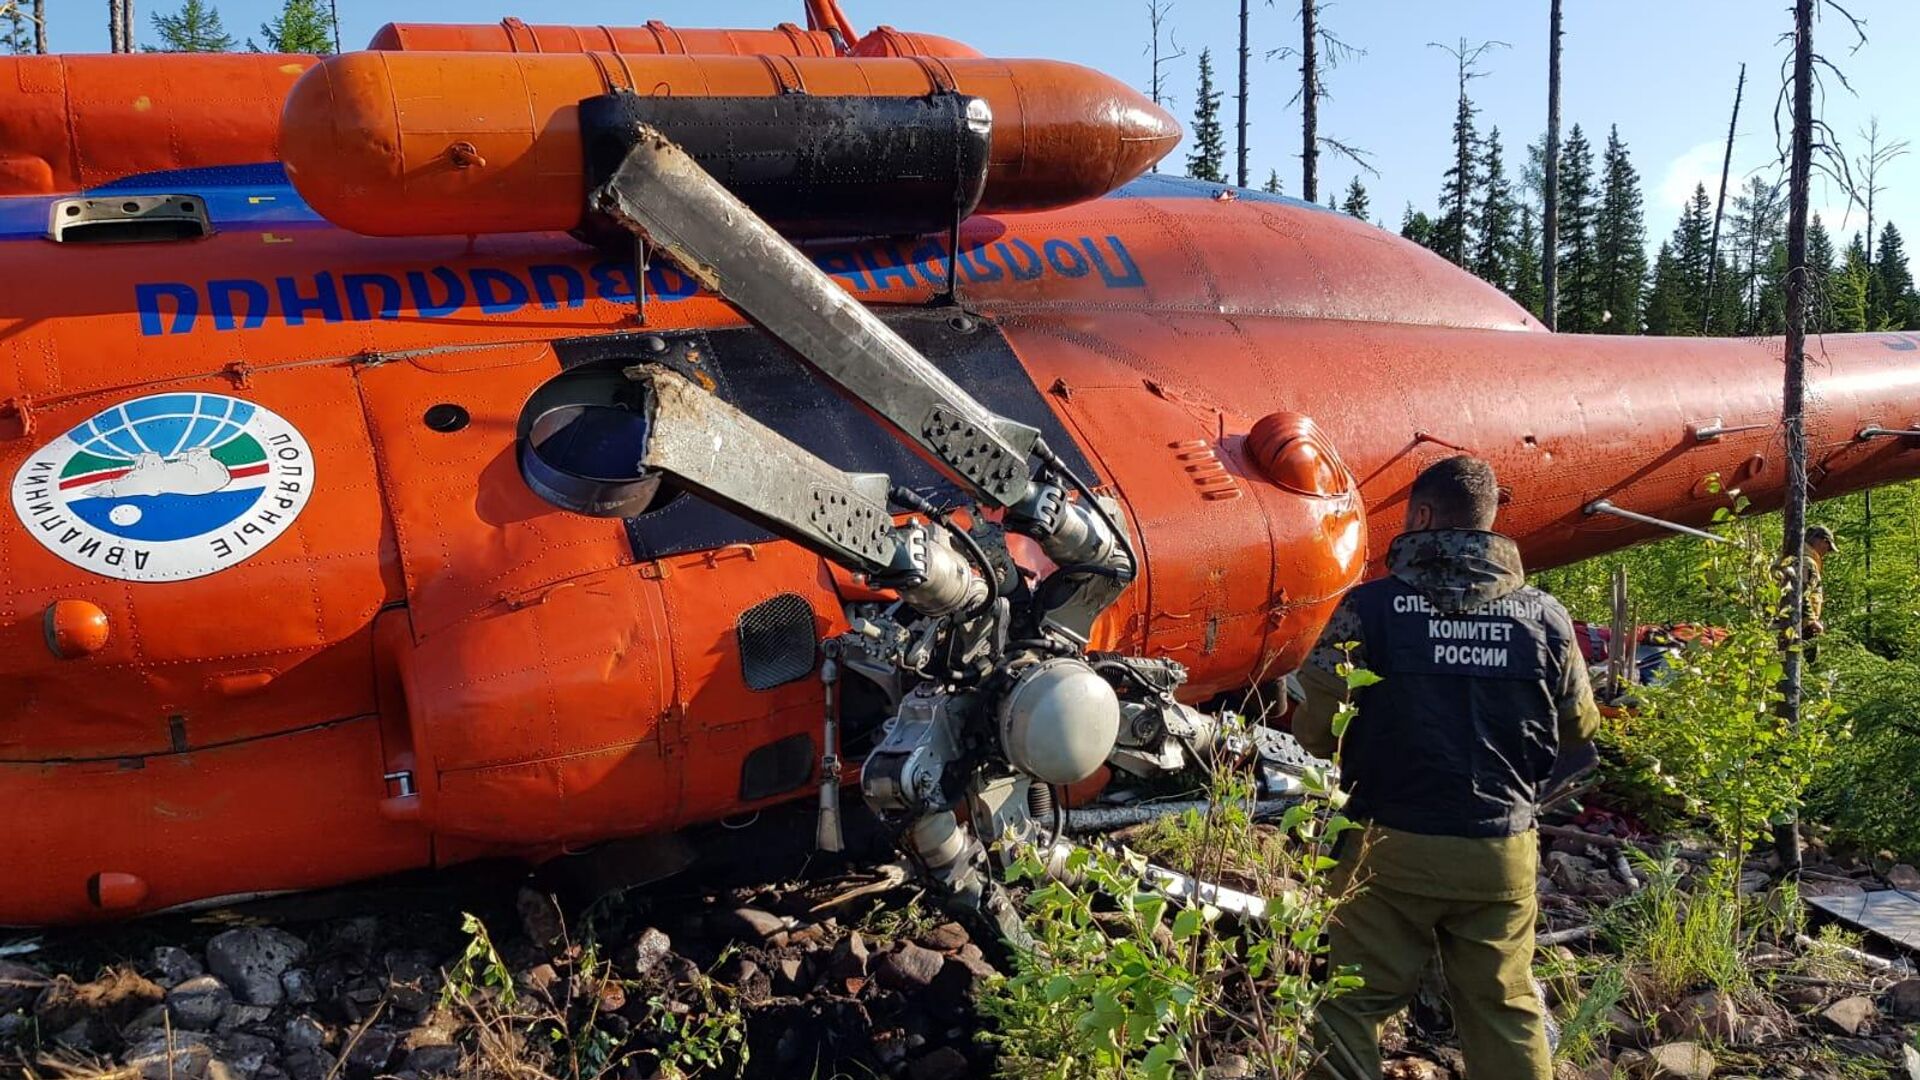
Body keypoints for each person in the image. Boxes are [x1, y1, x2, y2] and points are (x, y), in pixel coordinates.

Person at [1295, 455, 1601, 1080]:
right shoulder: (1545, 618)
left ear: (1425, 517)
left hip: (1389, 848)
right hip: (1500, 851)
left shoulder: (1369, 610)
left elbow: (1315, 732)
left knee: (1349, 1004)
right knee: (1504, 1008)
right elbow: (1579, 732)